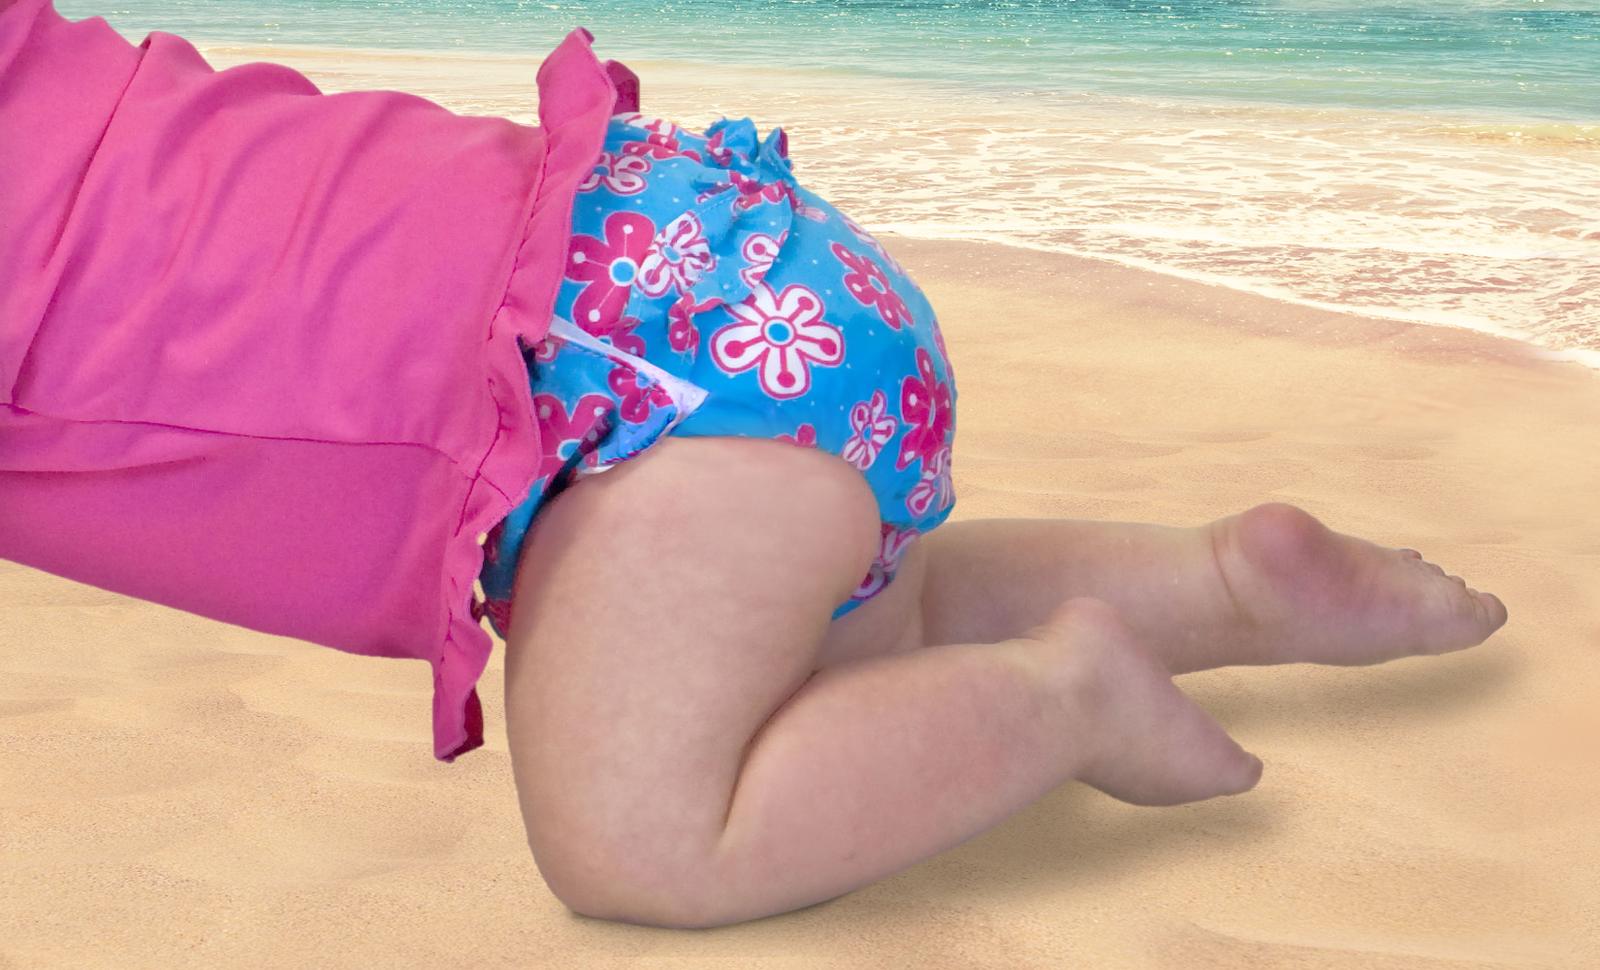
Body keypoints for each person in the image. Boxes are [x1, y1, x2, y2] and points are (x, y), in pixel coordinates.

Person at [0, 0, 1508, 931]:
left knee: (642, 842)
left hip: (634, 398)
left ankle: (1068, 696)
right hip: (705, 279)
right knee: (847, 636)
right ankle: (1229, 584)